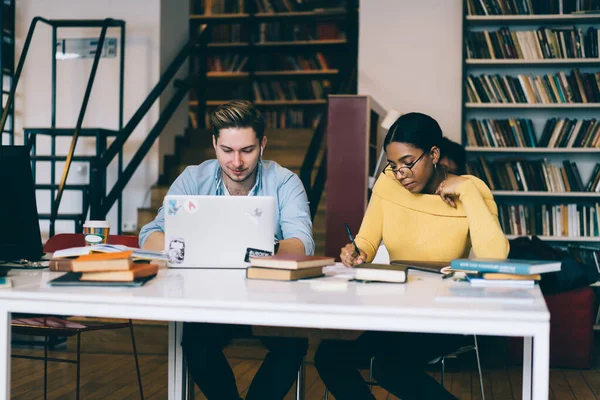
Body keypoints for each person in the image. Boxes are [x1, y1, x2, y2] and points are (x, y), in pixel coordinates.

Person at [314, 112, 509, 400]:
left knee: (389, 367)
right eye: (393, 165)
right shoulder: (387, 185)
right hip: (397, 310)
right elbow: (367, 238)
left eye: (407, 163)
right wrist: (358, 250)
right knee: (328, 356)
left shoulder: (470, 190)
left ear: (433, 154)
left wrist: (467, 190)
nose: (400, 173)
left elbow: (495, 258)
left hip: (446, 315)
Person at [139, 100, 313, 400]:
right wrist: (180, 246)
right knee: (194, 342)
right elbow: (150, 235)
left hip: (269, 298)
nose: (237, 162)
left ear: (263, 144)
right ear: (214, 144)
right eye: (227, 150)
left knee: (294, 344)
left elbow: (303, 245)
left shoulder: (285, 182)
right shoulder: (194, 178)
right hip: (210, 297)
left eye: (247, 150)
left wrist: (264, 247)